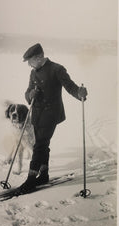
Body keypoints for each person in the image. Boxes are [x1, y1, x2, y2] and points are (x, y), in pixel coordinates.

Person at [18, 43, 88, 193]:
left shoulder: (57, 69)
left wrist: (79, 93)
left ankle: (31, 179)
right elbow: (28, 91)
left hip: (51, 113)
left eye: (30, 61)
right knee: (42, 144)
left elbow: (70, 87)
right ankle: (43, 174)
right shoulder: (33, 73)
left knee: (40, 145)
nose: (29, 65)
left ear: (38, 57)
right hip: (36, 114)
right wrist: (30, 95)